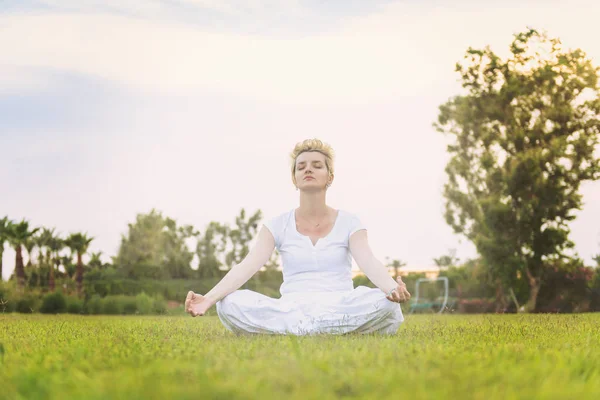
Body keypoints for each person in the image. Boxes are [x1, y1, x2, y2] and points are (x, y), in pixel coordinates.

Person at [185, 138, 411, 335]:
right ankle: (326, 329)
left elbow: (368, 262)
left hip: (341, 305)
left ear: (330, 176)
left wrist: (391, 288)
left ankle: (301, 330)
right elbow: (247, 266)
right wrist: (209, 298)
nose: (308, 170)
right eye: (301, 166)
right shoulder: (276, 225)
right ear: (294, 178)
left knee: (387, 304)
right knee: (228, 304)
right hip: (292, 309)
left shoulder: (350, 222)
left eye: (316, 166)